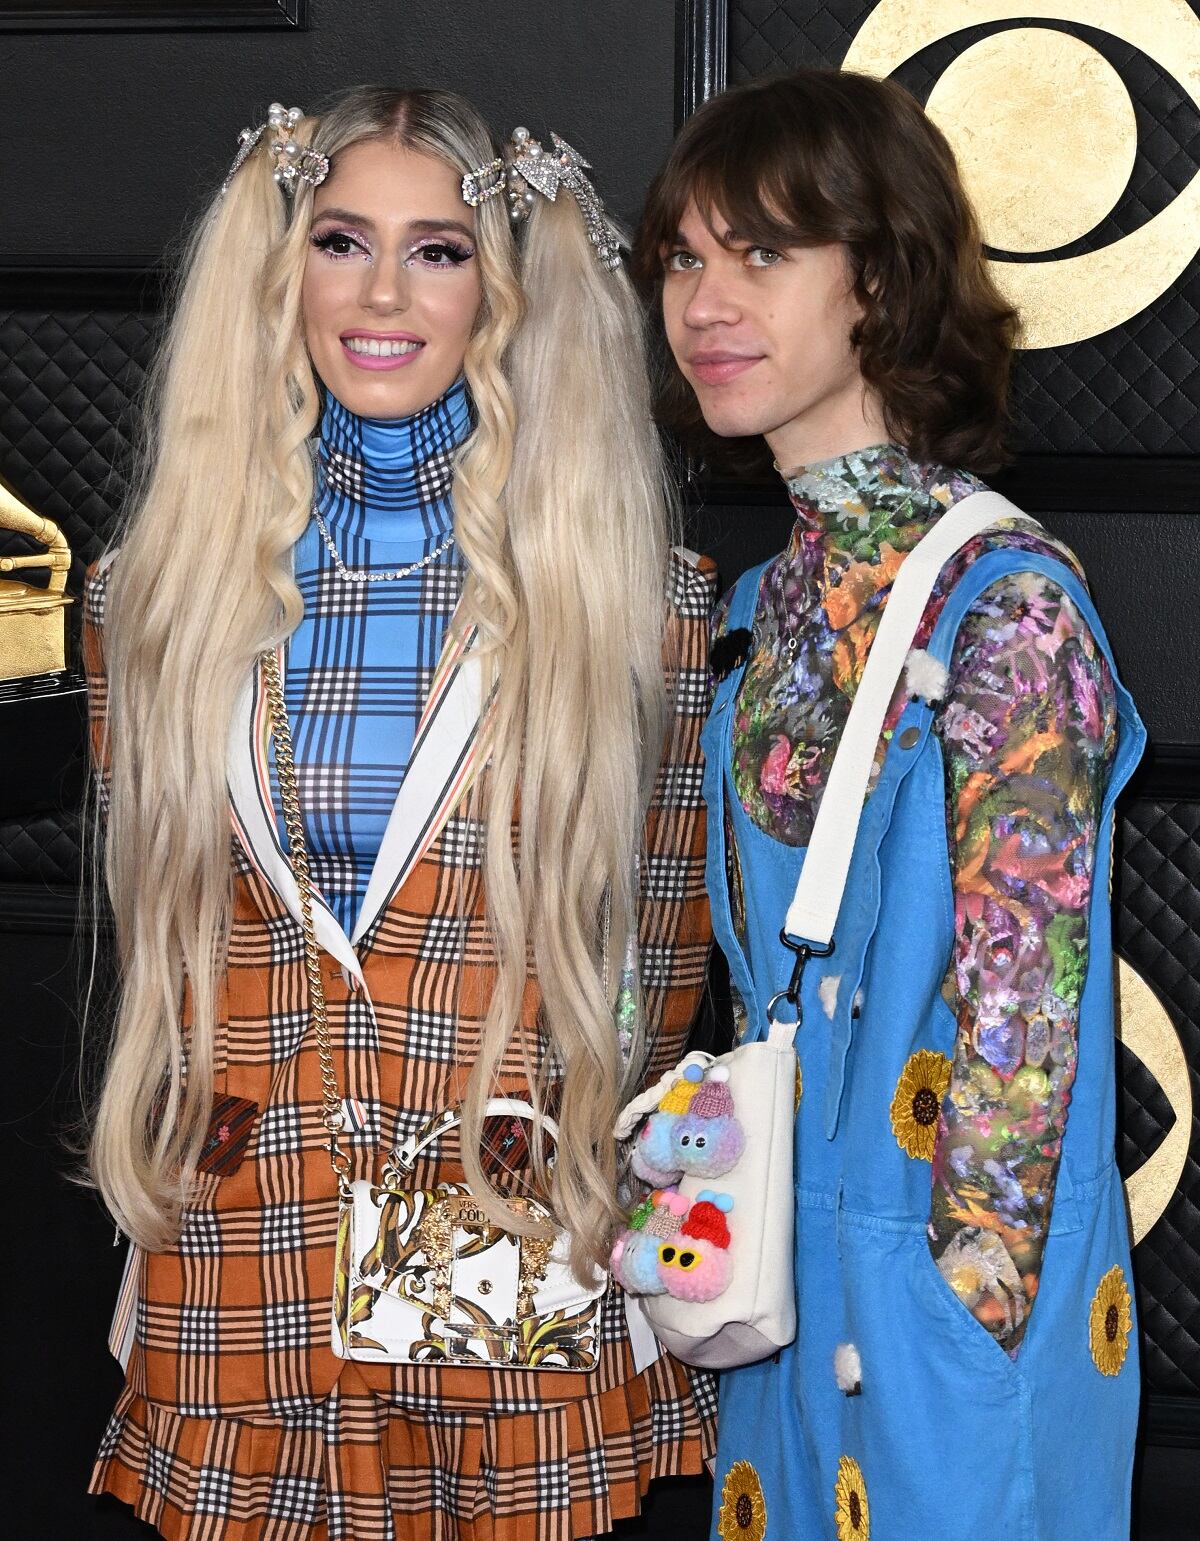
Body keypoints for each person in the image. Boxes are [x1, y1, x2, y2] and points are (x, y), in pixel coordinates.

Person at [83, 85, 716, 1541]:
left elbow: (659, 976)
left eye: (437, 251)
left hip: (500, 1223)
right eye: (340, 241)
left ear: (500, 286)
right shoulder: (153, 594)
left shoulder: (631, 603)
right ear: (279, 267)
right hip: (242, 1242)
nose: (382, 295)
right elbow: (165, 938)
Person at [634, 68, 1143, 1540]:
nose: (707, 302)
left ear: (880, 279)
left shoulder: (1009, 609)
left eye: (764, 252)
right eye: (683, 258)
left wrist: (959, 1316)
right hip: (772, 1280)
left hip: (944, 1300)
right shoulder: (760, 608)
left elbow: (1022, 1046)